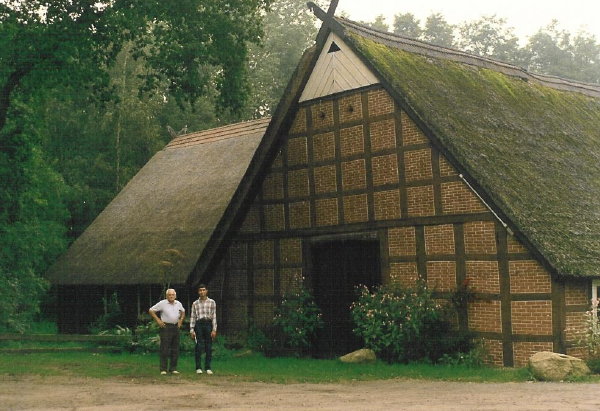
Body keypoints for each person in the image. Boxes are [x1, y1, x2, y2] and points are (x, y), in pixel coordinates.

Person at [149, 288, 185, 375]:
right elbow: (151, 310)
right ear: (166, 296)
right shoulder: (162, 303)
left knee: (175, 348)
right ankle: (163, 369)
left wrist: (181, 320)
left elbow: (183, 311)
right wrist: (158, 320)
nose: (171, 296)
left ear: (175, 296)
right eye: (169, 295)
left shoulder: (178, 303)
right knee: (165, 348)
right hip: (166, 327)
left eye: (173, 295)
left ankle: (173, 368)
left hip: (175, 327)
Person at [189, 284, 217, 374]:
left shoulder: (212, 302)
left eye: (203, 290)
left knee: (208, 346)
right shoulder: (195, 303)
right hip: (199, 324)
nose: (202, 292)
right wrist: (192, 329)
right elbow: (193, 316)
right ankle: (198, 367)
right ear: (198, 292)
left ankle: (208, 367)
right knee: (199, 345)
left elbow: (214, 316)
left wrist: (214, 329)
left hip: (208, 323)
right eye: (200, 290)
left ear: (206, 291)